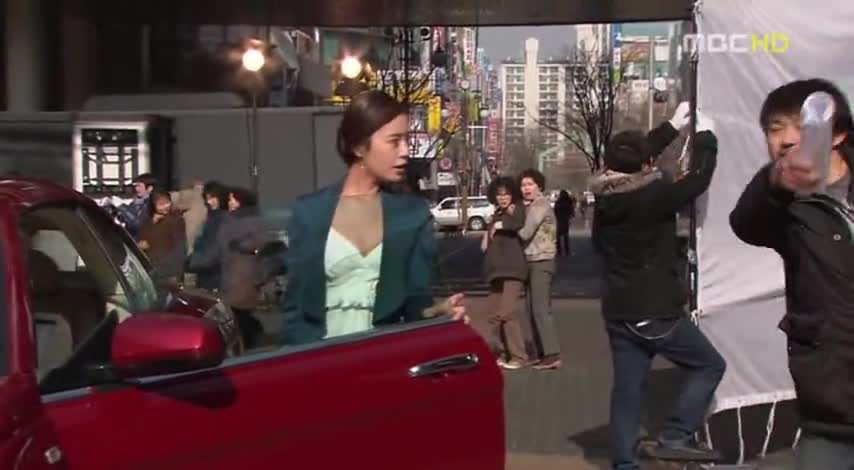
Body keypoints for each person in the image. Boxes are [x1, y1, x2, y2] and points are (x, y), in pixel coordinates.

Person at [591, 102, 725, 469]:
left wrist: (671, 127)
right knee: (709, 366)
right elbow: (698, 179)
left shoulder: (605, 194)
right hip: (654, 309)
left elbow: (631, 158)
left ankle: (624, 463)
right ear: (645, 164)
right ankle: (676, 435)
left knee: (628, 391)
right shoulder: (652, 197)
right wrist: (706, 138)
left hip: (618, 310)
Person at [729, 79, 854, 470]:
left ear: (837, 134)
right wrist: (776, 184)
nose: (785, 139)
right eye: (774, 129)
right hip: (832, 406)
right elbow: (746, 222)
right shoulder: (780, 205)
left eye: (801, 126)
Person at [281, 90, 465, 345]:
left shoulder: (413, 215)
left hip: (383, 358)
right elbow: (295, 310)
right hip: (320, 359)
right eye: (394, 141)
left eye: (407, 140)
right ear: (358, 146)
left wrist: (438, 313)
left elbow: (416, 303)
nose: (405, 151)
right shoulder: (309, 213)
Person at [481, 176, 529, 370]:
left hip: (513, 269)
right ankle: (498, 353)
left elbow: (518, 222)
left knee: (507, 313)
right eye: (499, 195)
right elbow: (488, 242)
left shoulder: (517, 208)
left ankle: (519, 356)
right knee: (493, 316)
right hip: (495, 271)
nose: (502, 198)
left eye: (506, 194)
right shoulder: (497, 213)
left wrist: (498, 226)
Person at [517, 168, 562, 370]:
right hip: (531, 260)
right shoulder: (530, 206)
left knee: (540, 309)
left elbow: (525, 232)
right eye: (523, 185)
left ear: (539, 186)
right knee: (531, 309)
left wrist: (504, 226)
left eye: (530, 184)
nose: (526, 188)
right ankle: (541, 352)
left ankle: (551, 354)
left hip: (542, 260)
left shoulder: (540, 205)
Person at [187, 180, 229, 291]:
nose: (209, 202)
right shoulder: (210, 217)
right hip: (208, 271)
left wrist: (194, 262)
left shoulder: (222, 218)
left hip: (215, 272)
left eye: (212, 198)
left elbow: (215, 246)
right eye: (207, 198)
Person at [138, 191, 187, 286]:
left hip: (168, 272)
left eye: (167, 202)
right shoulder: (149, 221)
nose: (165, 206)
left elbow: (179, 249)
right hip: (151, 269)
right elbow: (142, 239)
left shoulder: (176, 220)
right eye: (161, 204)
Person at [115, 173, 157, 239]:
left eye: (139, 186)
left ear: (149, 188)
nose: (136, 188)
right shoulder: (136, 202)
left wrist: (121, 207)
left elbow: (138, 224)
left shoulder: (152, 204)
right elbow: (125, 219)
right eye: (136, 186)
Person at [554, 190, 575, 256]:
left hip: (559, 220)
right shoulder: (568, 201)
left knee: (558, 236)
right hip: (565, 220)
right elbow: (571, 210)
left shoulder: (558, 202)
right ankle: (567, 251)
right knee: (566, 236)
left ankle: (559, 251)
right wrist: (570, 215)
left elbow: (555, 210)